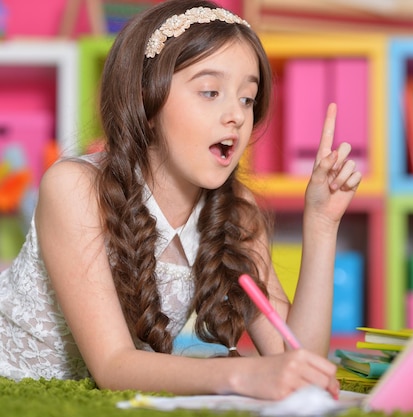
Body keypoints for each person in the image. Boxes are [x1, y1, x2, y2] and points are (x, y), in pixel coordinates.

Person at [0, 0, 361, 401]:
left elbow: (298, 356)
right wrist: (243, 374)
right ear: (146, 102)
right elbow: (113, 365)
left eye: (247, 98)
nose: (237, 116)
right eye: (210, 92)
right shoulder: (73, 187)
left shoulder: (235, 210)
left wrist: (322, 223)